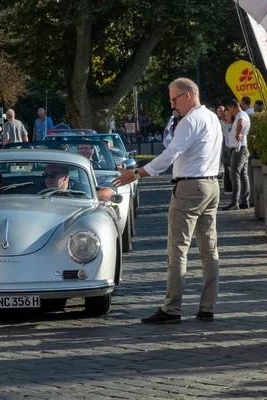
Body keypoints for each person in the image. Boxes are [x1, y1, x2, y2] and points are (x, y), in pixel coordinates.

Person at [112, 78, 221, 324]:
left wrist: (139, 173)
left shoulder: (190, 120)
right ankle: (207, 307)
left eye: (174, 100)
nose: (173, 106)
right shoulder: (212, 117)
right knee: (209, 250)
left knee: (177, 250)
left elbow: (171, 153)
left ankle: (172, 309)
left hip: (190, 187)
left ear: (187, 96)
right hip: (212, 184)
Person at [224, 98, 250, 210]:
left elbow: (241, 122)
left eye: (229, 109)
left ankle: (235, 202)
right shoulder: (243, 114)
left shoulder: (240, 116)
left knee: (234, 175)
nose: (229, 112)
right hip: (242, 147)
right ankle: (244, 201)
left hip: (238, 149)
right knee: (243, 175)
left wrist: (238, 133)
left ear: (231, 107)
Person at [43, 164, 114, 201]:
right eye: (45, 175)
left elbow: (110, 192)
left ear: (65, 177)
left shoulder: (78, 188)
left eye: (52, 175)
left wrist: (89, 196)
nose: (47, 179)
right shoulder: (36, 188)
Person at [217, 106, 233, 195]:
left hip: (228, 144)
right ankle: (228, 188)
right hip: (224, 143)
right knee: (226, 165)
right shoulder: (219, 122)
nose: (222, 114)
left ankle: (229, 188)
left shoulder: (231, 123)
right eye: (219, 111)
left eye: (222, 112)